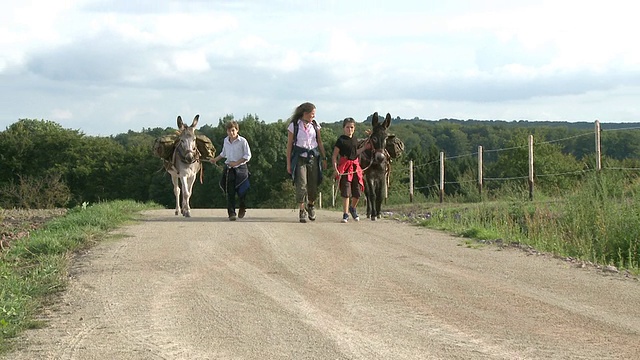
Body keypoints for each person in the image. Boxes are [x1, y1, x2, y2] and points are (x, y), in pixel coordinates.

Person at [286, 102, 328, 223]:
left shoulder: (315, 125)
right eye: (312, 114)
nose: (313, 116)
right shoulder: (294, 126)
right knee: (301, 184)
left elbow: (319, 142)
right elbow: (289, 146)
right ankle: (302, 209)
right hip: (300, 157)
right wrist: (288, 163)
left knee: (313, 184)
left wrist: (324, 157)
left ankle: (311, 205)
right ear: (305, 113)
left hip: (313, 157)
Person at [209, 121, 252, 221]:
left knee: (242, 191)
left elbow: (248, 156)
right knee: (230, 192)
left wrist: (236, 163)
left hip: (241, 169)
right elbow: (224, 153)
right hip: (229, 169)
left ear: (237, 130)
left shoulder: (243, 141)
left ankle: (242, 206)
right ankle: (231, 213)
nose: (231, 133)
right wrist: (215, 159)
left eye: (233, 130)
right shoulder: (226, 141)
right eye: (229, 131)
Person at [332, 117, 367, 223]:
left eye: (351, 127)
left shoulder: (356, 140)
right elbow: (334, 156)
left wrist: (366, 147)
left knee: (357, 192)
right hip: (345, 168)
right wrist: (335, 169)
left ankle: (353, 208)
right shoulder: (341, 140)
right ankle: (345, 214)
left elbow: (355, 152)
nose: (349, 129)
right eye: (347, 127)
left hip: (355, 168)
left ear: (354, 128)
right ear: (344, 128)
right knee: (346, 192)